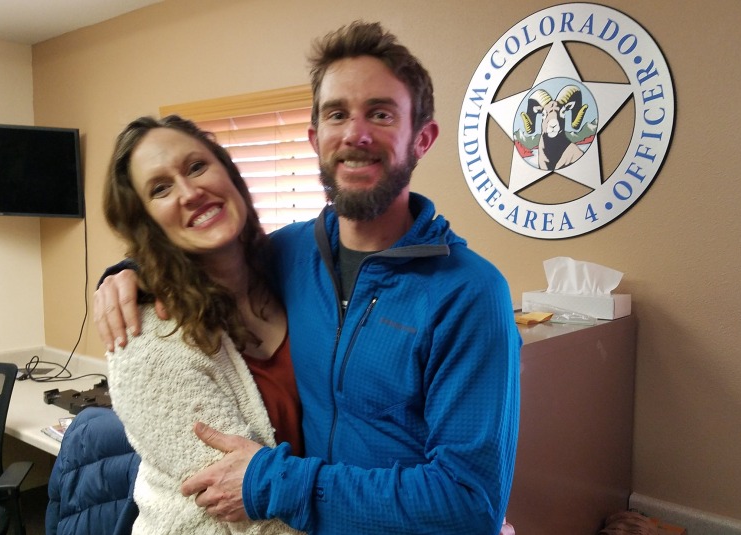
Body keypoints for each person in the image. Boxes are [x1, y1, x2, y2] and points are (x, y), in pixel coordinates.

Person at [96, 21, 521, 535]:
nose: (355, 134)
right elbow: (202, 248)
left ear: (422, 138)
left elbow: (470, 504)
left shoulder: (469, 293)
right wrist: (128, 272)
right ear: (314, 136)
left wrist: (277, 482)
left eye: (381, 114)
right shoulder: (292, 254)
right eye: (337, 114)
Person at [101, 115, 303, 534]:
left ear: (229, 173)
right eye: (160, 188)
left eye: (197, 167)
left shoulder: (297, 274)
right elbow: (249, 510)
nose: (190, 192)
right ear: (146, 222)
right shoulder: (148, 341)